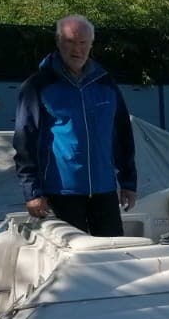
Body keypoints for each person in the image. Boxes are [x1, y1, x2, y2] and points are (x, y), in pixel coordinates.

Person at [13, 14, 137, 236]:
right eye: (70, 42)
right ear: (59, 42)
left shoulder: (105, 83)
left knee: (112, 257)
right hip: (61, 191)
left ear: (91, 45)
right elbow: (25, 140)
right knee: (72, 259)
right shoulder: (38, 85)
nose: (77, 49)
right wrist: (32, 192)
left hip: (104, 189)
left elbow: (121, 133)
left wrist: (128, 181)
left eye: (83, 43)